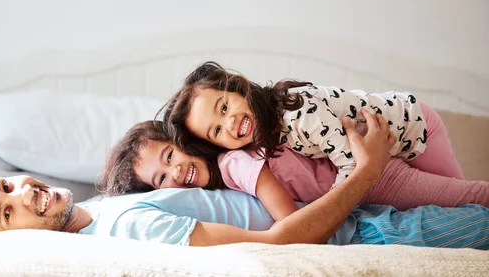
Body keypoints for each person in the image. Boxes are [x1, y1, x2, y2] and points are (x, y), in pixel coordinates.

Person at [0, 113, 489, 249]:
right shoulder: (128, 229)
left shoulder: (109, 206)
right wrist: (366, 172)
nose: (21, 195)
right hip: (365, 234)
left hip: (356, 213)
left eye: (6, 187)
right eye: (6, 213)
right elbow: (278, 242)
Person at [152, 61, 489, 220]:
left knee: (466, 200)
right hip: (385, 147)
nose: (230, 124)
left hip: (415, 126)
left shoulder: (298, 114)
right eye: (215, 132)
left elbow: (355, 168)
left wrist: (327, 213)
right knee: (464, 211)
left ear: (237, 87)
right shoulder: (259, 141)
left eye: (224, 107)